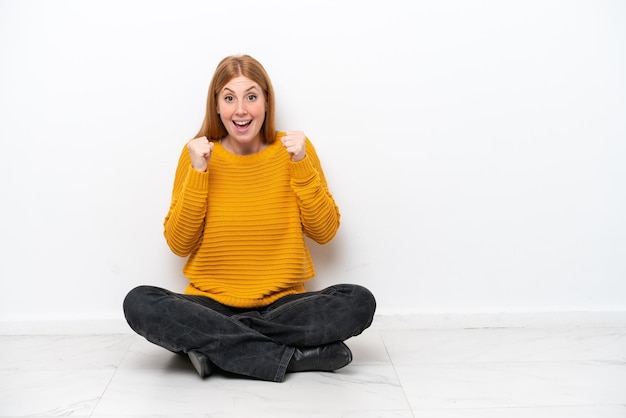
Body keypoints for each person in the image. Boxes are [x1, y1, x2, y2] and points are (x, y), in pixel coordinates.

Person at [123, 54, 376, 383]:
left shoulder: (295, 150)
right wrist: (199, 173)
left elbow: (325, 232)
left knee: (357, 301)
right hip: (210, 304)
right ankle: (292, 357)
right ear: (216, 106)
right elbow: (178, 243)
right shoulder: (197, 156)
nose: (240, 110)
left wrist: (300, 164)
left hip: (283, 305)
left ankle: (215, 350)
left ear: (267, 103)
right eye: (229, 98)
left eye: (251, 97)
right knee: (140, 302)